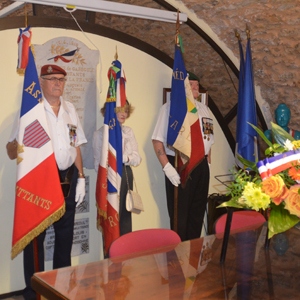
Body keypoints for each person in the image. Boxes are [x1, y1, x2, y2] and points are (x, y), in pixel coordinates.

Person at [6, 64, 87, 300]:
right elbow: (11, 151)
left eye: (61, 79)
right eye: (52, 79)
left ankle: (62, 289)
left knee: (65, 239)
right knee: (35, 240)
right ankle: (34, 292)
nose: (57, 83)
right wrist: (18, 142)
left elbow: (76, 146)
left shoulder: (70, 109)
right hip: (40, 181)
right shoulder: (31, 110)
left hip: (68, 180)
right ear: (40, 82)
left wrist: (81, 178)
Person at [152, 72, 214, 242]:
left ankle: (192, 257)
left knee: (197, 213)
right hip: (179, 164)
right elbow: (157, 140)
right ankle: (178, 260)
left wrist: (208, 162)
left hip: (201, 165)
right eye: (191, 84)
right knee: (180, 217)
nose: (195, 88)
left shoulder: (204, 109)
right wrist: (167, 167)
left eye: (196, 85)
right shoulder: (170, 108)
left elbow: (209, 139)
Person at [93, 100, 141, 236]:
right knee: (110, 217)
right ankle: (110, 254)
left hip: (126, 174)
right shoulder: (100, 134)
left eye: (126, 111)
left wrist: (122, 158)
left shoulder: (128, 132)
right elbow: (97, 164)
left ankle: (125, 253)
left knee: (125, 215)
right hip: (108, 177)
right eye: (120, 110)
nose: (124, 114)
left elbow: (137, 159)